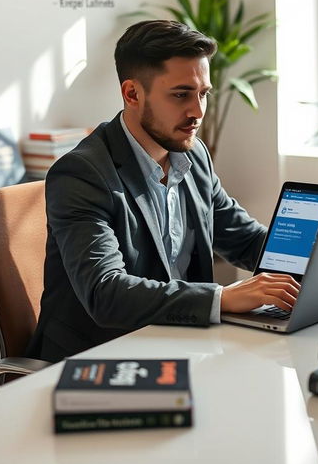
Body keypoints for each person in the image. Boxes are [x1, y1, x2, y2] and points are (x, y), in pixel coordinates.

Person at [26, 20, 300, 362]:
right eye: (181, 94)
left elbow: (241, 238)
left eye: (203, 94)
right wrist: (222, 298)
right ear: (132, 94)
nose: (198, 112)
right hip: (101, 357)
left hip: (181, 345)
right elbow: (106, 292)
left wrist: (312, 262)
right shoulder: (82, 174)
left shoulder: (193, 154)